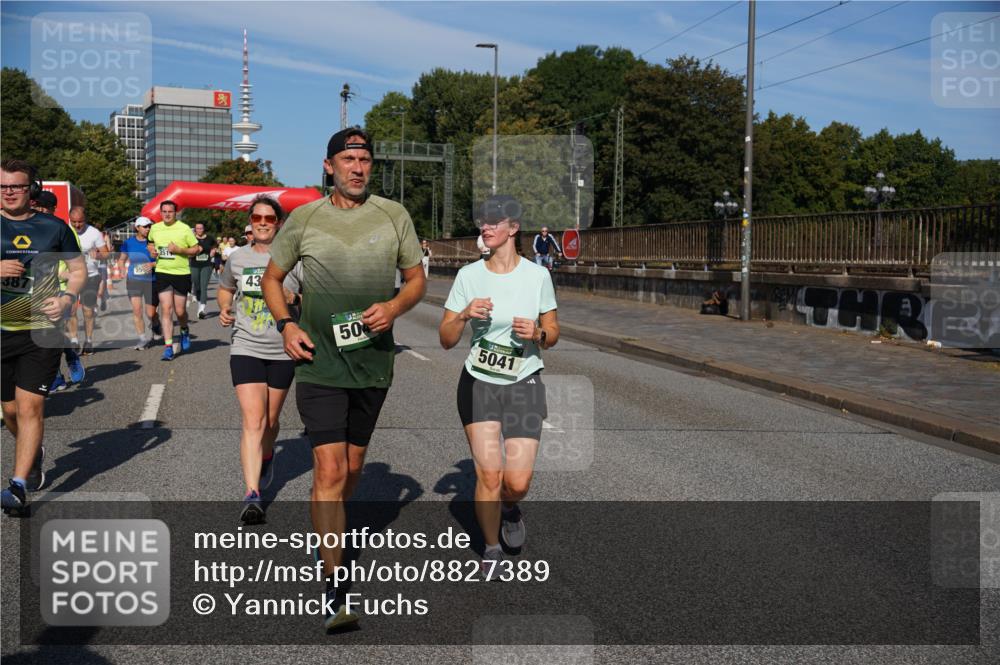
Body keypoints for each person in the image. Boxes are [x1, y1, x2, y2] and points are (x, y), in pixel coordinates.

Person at [262, 127, 425, 631]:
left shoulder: (393, 215)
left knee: (352, 471)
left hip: (373, 363)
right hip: (319, 362)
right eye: (349, 159)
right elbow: (272, 279)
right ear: (329, 166)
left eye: (366, 160)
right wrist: (287, 325)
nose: (358, 167)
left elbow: (417, 279)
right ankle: (335, 586)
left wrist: (395, 306)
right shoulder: (305, 218)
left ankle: (328, 524)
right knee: (329, 472)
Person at [438, 194, 559, 579]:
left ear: (513, 227)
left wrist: (539, 332)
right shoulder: (468, 276)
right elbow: (445, 338)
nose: (485, 228)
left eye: (493, 221)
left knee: (517, 482)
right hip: (479, 383)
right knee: (489, 474)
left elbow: (553, 333)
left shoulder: (538, 275)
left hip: (524, 381)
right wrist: (462, 314)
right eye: (482, 223)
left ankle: (510, 507)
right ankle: (490, 549)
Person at [1, 159, 86, 514]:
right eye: (3, 187)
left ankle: (18, 485)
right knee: (9, 412)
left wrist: (67, 298)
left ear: (30, 188)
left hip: (41, 329)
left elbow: (79, 270)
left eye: (16, 186)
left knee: (31, 406)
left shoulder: (54, 227)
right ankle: (31, 451)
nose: (8, 193)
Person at [219, 197, 302, 524]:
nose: (263, 222)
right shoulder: (237, 258)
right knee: (252, 420)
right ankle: (252, 493)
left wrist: (294, 297)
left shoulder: (293, 259)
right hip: (246, 345)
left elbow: (313, 294)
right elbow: (225, 288)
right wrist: (225, 308)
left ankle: (268, 454)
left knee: (269, 420)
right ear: (251, 221)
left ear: (278, 222)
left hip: (283, 348)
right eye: (257, 217)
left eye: (269, 217)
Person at [31, 191, 86, 392]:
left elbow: (77, 267)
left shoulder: (62, 230)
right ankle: (66, 358)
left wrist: (64, 274)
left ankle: (56, 375)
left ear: (53, 209)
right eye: (36, 207)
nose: (38, 211)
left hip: (61, 290)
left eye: (42, 207)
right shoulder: (30, 228)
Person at [147, 200, 199, 361]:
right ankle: (168, 346)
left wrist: (179, 250)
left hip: (181, 273)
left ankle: (184, 329)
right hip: (162, 272)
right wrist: (152, 251)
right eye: (164, 211)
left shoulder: (184, 228)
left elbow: (196, 249)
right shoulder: (155, 228)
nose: (167, 214)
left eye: (170, 211)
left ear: (175, 213)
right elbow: (150, 243)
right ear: (160, 212)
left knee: (180, 311)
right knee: (166, 308)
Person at [67, 206, 108, 355]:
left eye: (80, 222)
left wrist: (98, 255)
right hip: (71, 276)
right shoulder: (65, 230)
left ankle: (89, 340)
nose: (77, 225)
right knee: (70, 309)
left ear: (86, 219)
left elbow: (106, 254)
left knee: (87, 310)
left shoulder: (94, 233)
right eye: (74, 222)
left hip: (90, 276)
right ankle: (73, 340)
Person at [118, 217, 159, 349]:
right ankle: (142, 338)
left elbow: (163, 261)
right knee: (137, 310)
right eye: (145, 226)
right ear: (137, 228)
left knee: (151, 313)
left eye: (149, 226)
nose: (148, 229)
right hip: (134, 280)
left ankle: (156, 324)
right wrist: (122, 269)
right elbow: (121, 260)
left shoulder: (154, 242)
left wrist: (153, 264)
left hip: (151, 281)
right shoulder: (128, 243)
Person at [190, 222, 217, 319]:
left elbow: (214, 246)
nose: (199, 230)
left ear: (204, 229)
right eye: (197, 228)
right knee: (197, 286)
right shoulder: (191, 238)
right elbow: (188, 250)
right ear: (195, 229)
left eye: (201, 228)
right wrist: (195, 251)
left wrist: (213, 250)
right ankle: (199, 304)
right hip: (194, 265)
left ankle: (202, 309)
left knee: (203, 286)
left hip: (207, 265)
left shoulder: (210, 238)